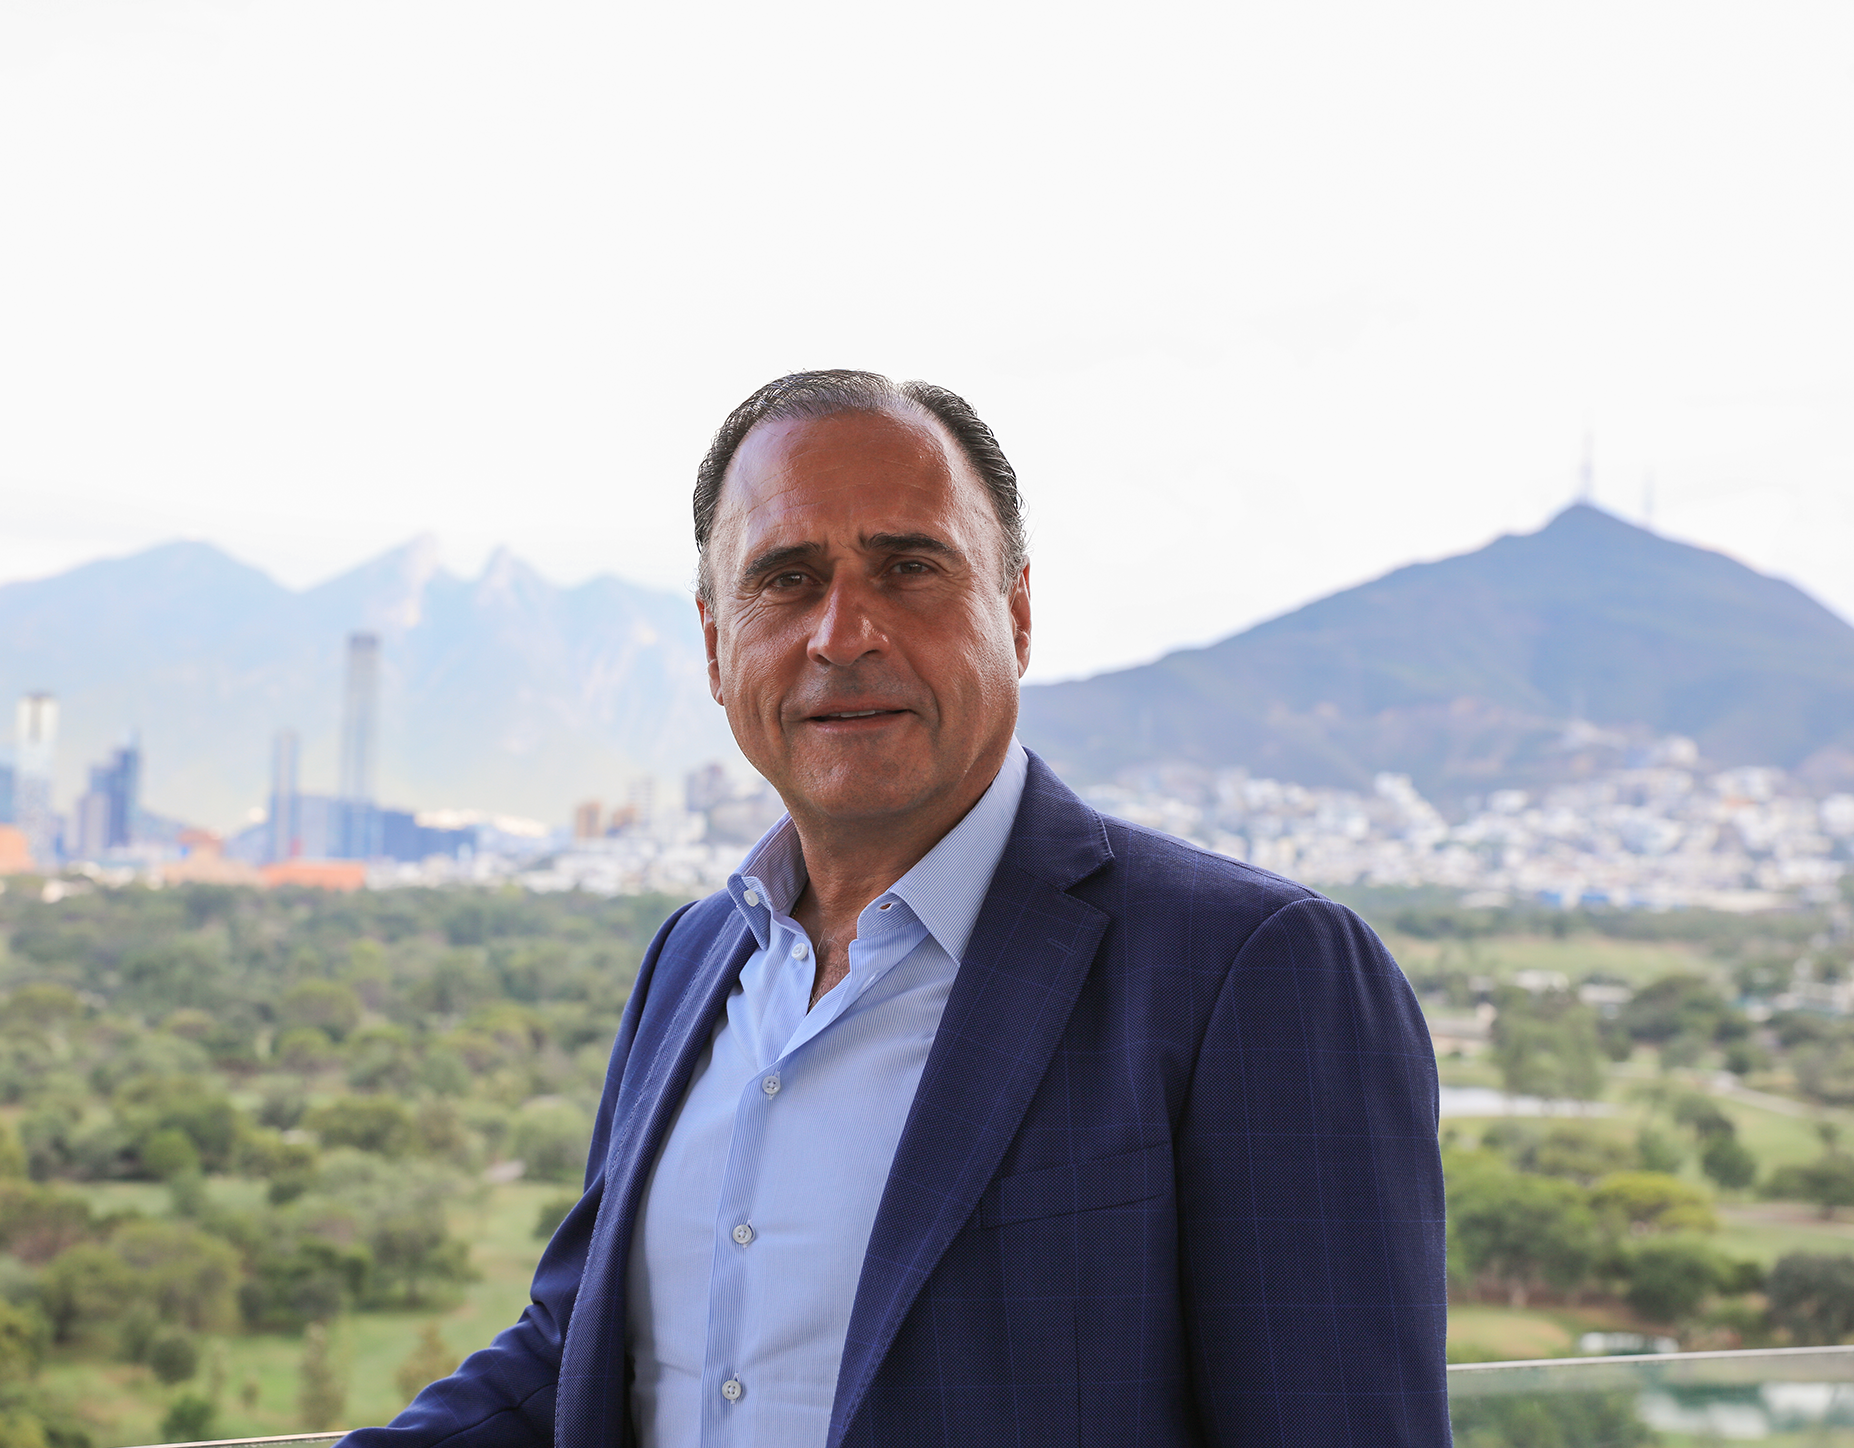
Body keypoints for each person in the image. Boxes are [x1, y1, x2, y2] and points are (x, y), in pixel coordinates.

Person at [337, 371, 1447, 1448]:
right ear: (718, 647)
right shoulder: (692, 955)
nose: (842, 632)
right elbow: (580, 1351)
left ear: (1015, 609)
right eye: (783, 578)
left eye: (909, 566)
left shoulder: (1253, 969)